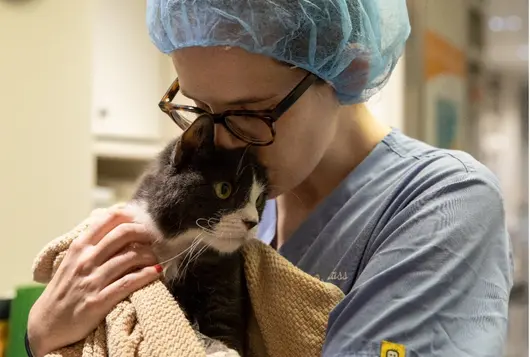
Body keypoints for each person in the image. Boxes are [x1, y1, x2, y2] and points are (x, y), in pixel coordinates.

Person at [27, 0, 513, 356]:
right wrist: (41, 337)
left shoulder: (443, 206)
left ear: (350, 66)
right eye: (200, 108)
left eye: (249, 112)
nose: (220, 141)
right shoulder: (246, 194)